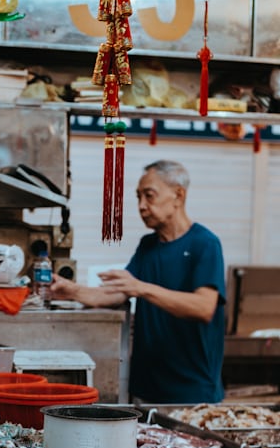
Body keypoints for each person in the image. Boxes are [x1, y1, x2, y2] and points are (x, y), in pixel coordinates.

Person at [50, 159, 226, 404]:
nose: (141, 206)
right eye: (138, 197)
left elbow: (204, 307)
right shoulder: (148, 246)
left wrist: (141, 288)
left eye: (149, 196)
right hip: (146, 389)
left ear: (178, 195)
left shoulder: (204, 244)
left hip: (192, 391)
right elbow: (118, 292)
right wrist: (71, 291)